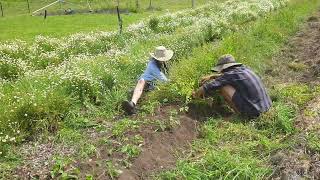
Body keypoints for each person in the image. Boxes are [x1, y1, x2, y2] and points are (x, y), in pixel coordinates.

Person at [192, 54, 272, 119]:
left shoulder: (231, 75)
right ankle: (242, 111)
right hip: (267, 106)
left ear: (225, 67)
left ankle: (240, 115)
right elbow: (227, 76)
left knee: (224, 87)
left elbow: (209, 86)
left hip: (254, 112)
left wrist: (195, 94)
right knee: (226, 83)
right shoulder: (244, 69)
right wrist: (212, 76)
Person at [122, 46, 174, 115]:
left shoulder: (162, 63)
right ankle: (132, 104)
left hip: (153, 83)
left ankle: (132, 103)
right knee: (142, 81)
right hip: (150, 84)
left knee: (142, 81)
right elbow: (164, 80)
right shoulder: (152, 66)